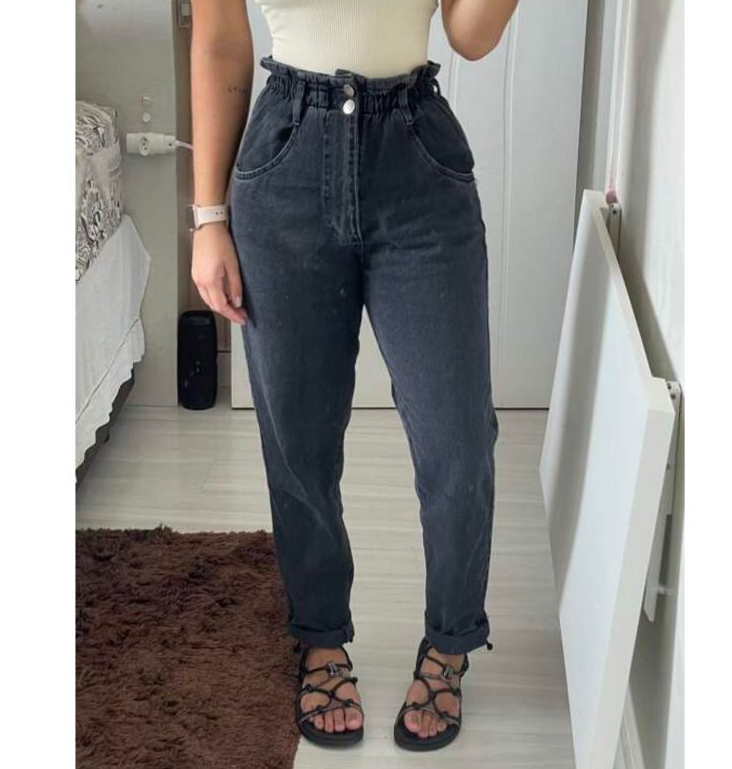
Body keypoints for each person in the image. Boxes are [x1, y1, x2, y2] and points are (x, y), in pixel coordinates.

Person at [189, 0, 520, 752]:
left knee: (459, 439)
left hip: (417, 159)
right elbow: (219, 43)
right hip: (284, 163)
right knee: (298, 438)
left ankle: (450, 641)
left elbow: (471, 36)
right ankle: (320, 638)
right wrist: (208, 218)